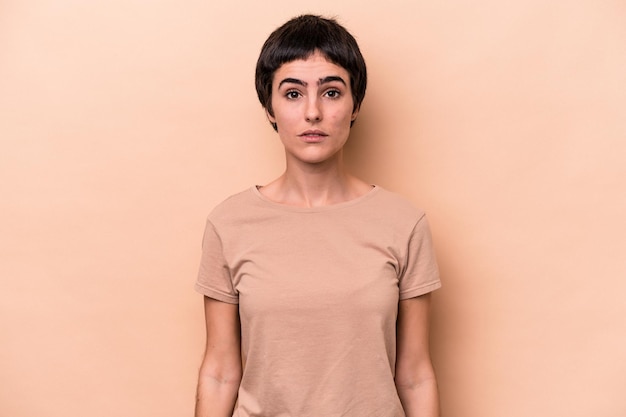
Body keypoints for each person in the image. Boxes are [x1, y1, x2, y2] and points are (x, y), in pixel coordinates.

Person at [194, 14, 441, 417]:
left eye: (331, 92)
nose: (312, 112)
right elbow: (220, 371)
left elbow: (414, 374)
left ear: (355, 104)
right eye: (292, 94)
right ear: (269, 108)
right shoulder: (229, 223)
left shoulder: (404, 223)